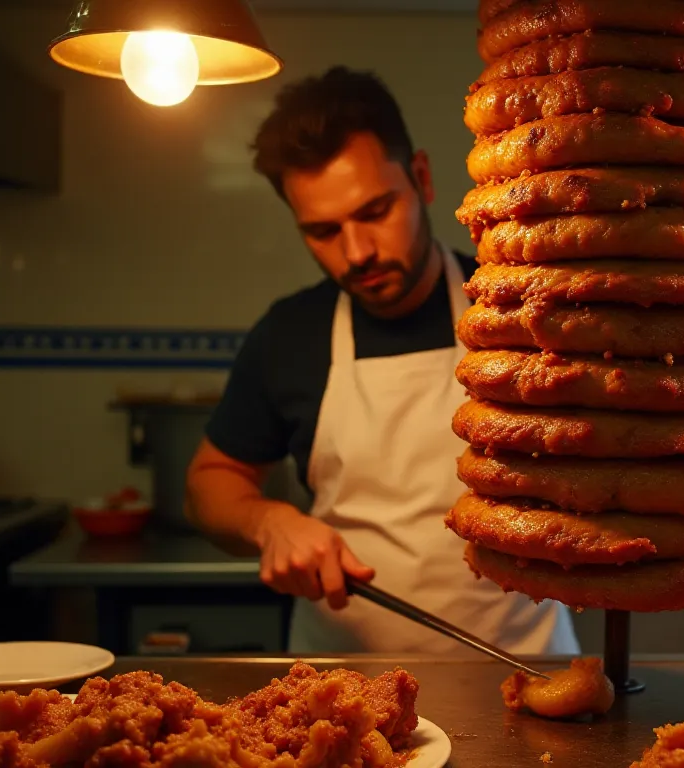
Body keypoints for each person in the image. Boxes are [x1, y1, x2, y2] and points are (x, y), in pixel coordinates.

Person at [185, 66, 579, 656]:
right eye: (323, 231)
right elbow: (208, 484)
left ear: (421, 178)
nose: (357, 253)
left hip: (524, 668)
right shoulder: (289, 334)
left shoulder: (523, 310)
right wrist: (268, 521)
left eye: (374, 212)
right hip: (342, 686)